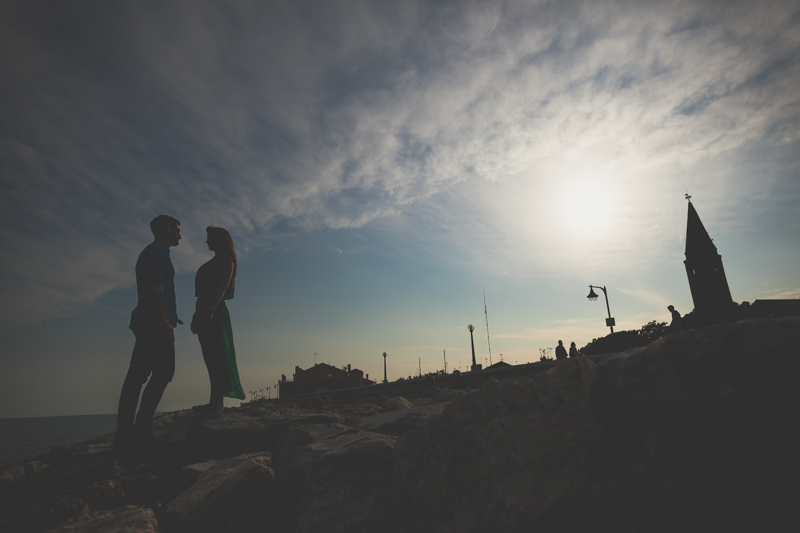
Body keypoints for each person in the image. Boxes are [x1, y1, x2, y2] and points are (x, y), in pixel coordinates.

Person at [114, 215, 182, 451]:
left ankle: (129, 435)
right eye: (177, 229)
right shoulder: (156, 252)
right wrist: (164, 319)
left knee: (143, 375)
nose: (180, 235)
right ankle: (134, 434)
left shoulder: (157, 252)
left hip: (153, 321)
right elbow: (155, 288)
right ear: (167, 228)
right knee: (155, 373)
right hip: (155, 322)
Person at [191, 226, 245, 414]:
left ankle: (216, 403)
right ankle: (215, 401)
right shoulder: (215, 260)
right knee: (210, 357)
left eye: (211, 237)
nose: (207, 241)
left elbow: (222, 287)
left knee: (216, 357)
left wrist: (208, 310)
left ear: (221, 240)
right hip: (205, 309)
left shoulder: (226, 259)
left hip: (214, 310)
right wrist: (197, 314)